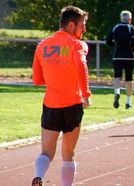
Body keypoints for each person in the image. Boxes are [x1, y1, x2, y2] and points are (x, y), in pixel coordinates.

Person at [31, 6, 91, 186]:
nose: (85, 29)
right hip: (72, 104)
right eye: (83, 25)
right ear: (72, 25)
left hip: (51, 105)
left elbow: (37, 79)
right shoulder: (77, 44)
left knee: (46, 152)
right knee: (68, 154)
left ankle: (39, 175)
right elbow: (82, 66)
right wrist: (86, 93)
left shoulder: (42, 45)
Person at [106, 10, 134, 109]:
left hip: (117, 55)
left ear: (121, 18)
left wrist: (115, 46)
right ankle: (128, 103)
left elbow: (108, 40)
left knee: (117, 77)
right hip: (129, 56)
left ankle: (117, 92)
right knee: (129, 79)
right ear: (130, 19)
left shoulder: (115, 27)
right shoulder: (132, 28)